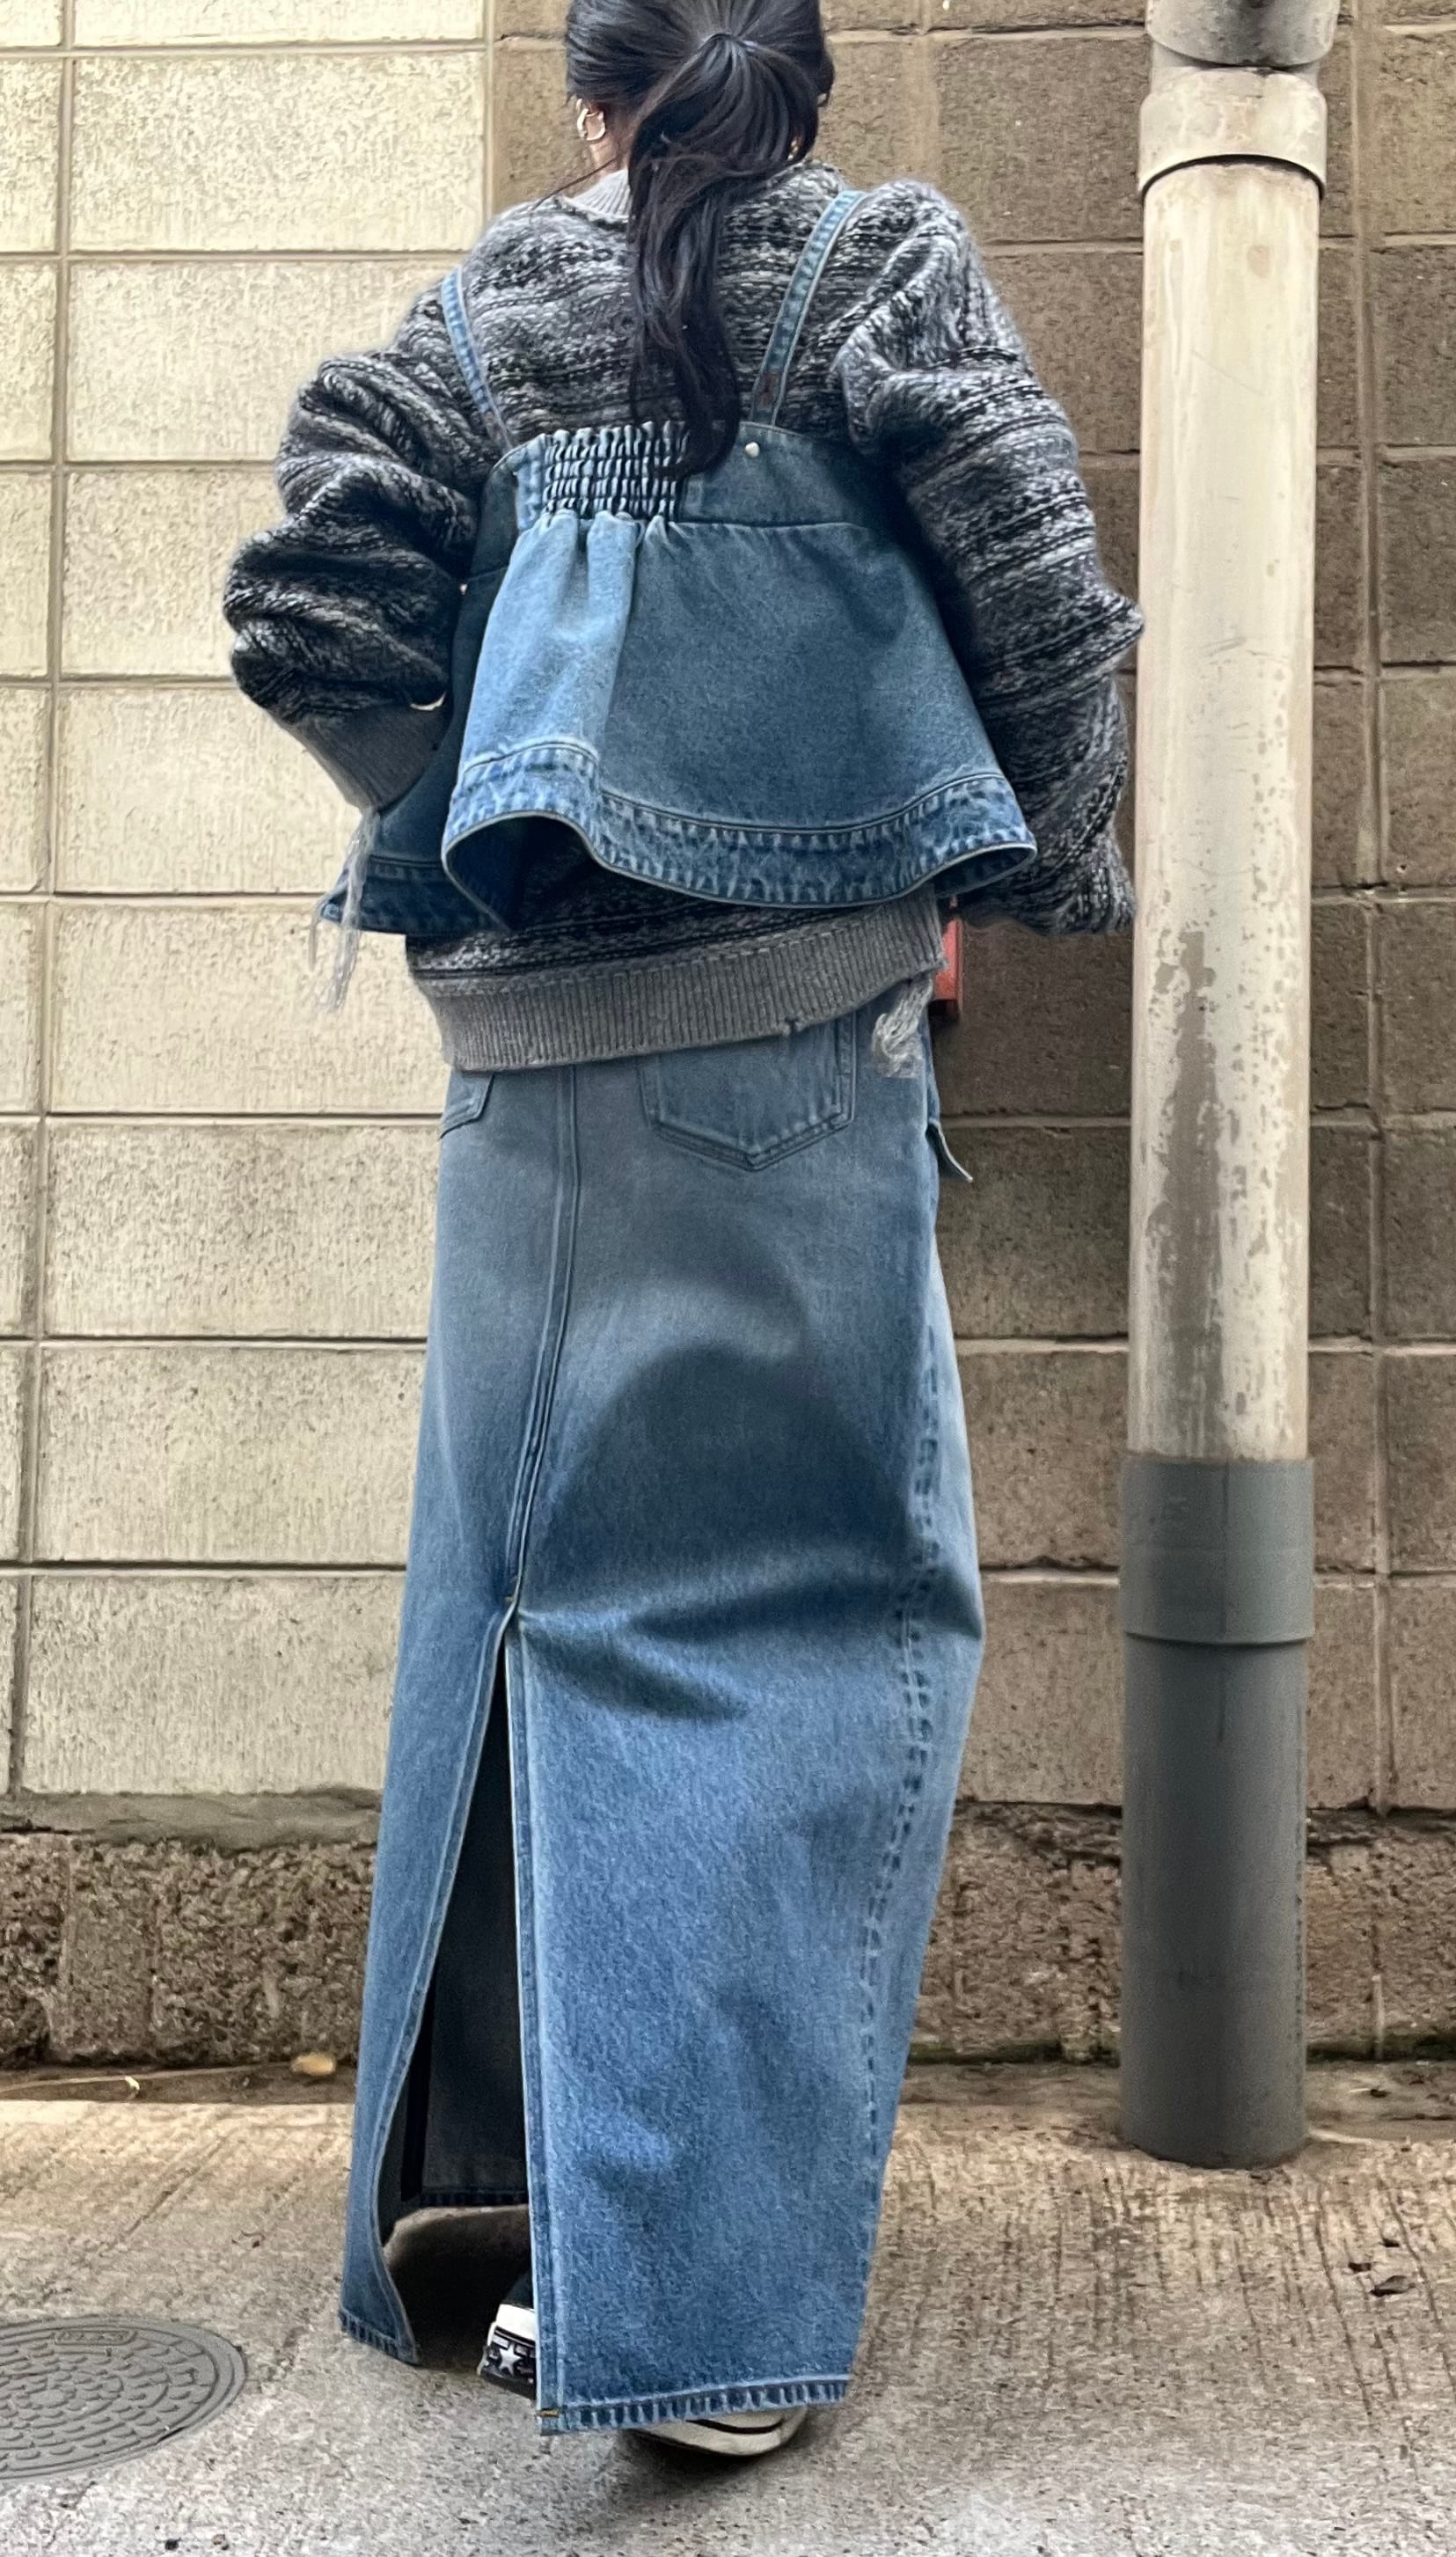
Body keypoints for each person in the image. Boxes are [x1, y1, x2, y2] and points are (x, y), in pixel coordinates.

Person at [223, 0, 1139, 2461]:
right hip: (792, 1053)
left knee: (517, 1604)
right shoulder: (877, 267)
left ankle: (490, 2201)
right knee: (791, 1624)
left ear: (590, 93)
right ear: (799, 91)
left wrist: (497, 810)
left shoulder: (478, 314)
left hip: (515, 1087)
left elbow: (303, 606)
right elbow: (1044, 594)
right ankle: (701, 2325)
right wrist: (1032, 854)